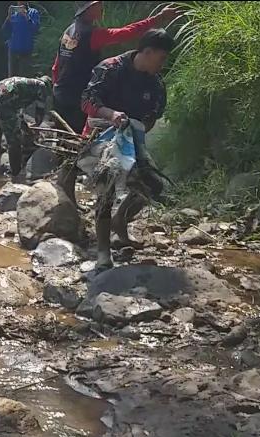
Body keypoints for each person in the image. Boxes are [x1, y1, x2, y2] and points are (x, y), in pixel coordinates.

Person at [81, 29, 174, 270]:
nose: (163, 64)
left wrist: (141, 126)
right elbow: (87, 101)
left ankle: (120, 220)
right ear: (147, 52)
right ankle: (103, 253)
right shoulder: (111, 68)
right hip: (100, 133)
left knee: (154, 186)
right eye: (161, 58)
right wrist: (111, 115)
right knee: (107, 186)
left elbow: (154, 114)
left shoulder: (156, 83)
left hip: (132, 139)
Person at [51, 1, 178, 134]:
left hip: (60, 94)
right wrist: (159, 18)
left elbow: (57, 65)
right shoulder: (92, 36)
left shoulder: (69, 31)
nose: (102, 6)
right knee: (76, 143)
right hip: (77, 100)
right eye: (98, 4)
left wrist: (56, 88)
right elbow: (126, 33)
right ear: (90, 8)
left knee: (65, 142)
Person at [0, 74, 52, 177]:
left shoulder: (25, 83)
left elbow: (17, 113)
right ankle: (15, 174)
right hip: (2, 103)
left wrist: (26, 127)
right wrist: (37, 126)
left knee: (1, 120)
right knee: (15, 141)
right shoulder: (41, 86)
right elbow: (40, 110)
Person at [3, 2, 41, 77]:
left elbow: (35, 29)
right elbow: (5, 30)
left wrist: (26, 16)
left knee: (25, 76)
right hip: (13, 49)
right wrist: (8, 17)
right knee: (11, 78)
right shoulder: (14, 13)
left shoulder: (33, 12)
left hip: (26, 50)